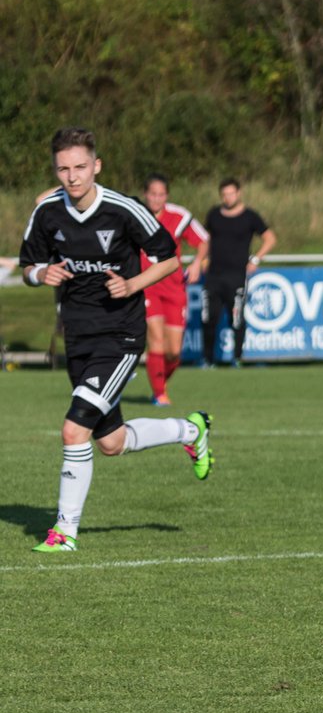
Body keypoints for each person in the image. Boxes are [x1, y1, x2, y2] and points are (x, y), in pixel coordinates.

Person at [19, 127, 215, 553]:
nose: (72, 177)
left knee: (74, 431)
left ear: (97, 166)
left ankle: (64, 533)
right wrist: (41, 274)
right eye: (63, 169)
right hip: (80, 337)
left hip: (121, 335)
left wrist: (131, 285)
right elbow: (27, 266)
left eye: (80, 167)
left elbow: (169, 258)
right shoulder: (48, 212)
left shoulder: (124, 209)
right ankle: (190, 430)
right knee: (110, 442)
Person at [141, 173, 209, 405]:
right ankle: (160, 395)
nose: (156, 199)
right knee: (156, 340)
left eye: (161, 194)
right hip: (147, 286)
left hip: (174, 287)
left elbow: (203, 241)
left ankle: (160, 383)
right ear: (145, 194)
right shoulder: (134, 215)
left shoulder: (179, 216)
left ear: (166, 196)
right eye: (152, 194)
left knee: (174, 352)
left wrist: (198, 262)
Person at [197, 177, 276, 367]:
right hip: (214, 276)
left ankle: (237, 358)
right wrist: (203, 258)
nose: (228, 197)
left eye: (231, 193)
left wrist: (256, 259)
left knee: (237, 318)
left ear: (238, 193)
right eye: (224, 194)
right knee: (209, 318)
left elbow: (270, 238)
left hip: (237, 276)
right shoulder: (214, 214)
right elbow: (205, 238)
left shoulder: (250, 216)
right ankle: (208, 360)